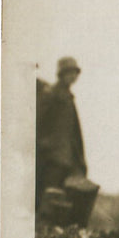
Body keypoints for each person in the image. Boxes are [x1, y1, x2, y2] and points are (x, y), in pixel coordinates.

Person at [35, 56, 99, 227]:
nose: (73, 76)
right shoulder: (51, 94)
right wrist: (46, 146)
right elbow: (38, 122)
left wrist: (78, 158)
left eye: (74, 73)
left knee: (67, 200)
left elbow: (73, 133)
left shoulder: (68, 97)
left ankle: (59, 236)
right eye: (69, 73)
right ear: (61, 74)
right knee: (50, 198)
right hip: (52, 159)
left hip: (68, 159)